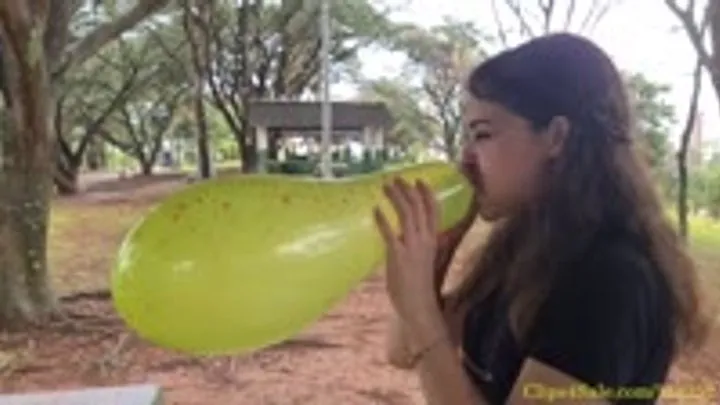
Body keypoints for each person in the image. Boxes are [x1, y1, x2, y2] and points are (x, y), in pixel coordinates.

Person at [373, 33, 710, 405]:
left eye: (482, 135)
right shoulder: (523, 251)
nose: (465, 160)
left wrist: (421, 309)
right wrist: (435, 257)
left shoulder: (610, 278)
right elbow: (404, 350)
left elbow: (422, 334)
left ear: (556, 137)